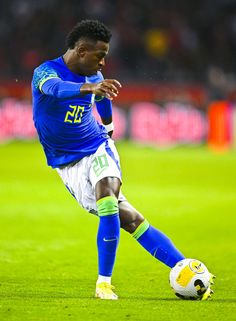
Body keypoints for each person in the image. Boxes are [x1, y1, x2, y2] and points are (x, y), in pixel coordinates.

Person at [32, 19, 213, 300]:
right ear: (81, 50)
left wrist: (107, 125)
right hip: (68, 164)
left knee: (107, 198)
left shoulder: (93, 76)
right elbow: (56, 89)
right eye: (100, 55)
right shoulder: (45, 73)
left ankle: (104, 283)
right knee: (130, 220)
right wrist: (91, 90)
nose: (104, 62)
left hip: (97, 147)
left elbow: (102, 95)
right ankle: (182, 265)